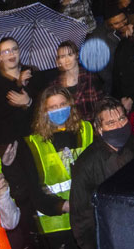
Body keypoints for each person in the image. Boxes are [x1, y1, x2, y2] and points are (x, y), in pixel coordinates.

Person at [69, 98, 134, 249]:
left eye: (121, 119)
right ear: (99, 128)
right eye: (111, 123)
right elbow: (82, 216)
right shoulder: (87, 163)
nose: (119, 126)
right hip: (112, 239)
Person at [21, 86, 93, 248]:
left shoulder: (87, 130)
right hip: (57, 226)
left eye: (62, 105)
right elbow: (34, 190)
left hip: (89, 219)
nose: (58, 110)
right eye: (52, 107)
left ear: (70, 105)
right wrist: (65, 206)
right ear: (44, 112)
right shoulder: (34, 143)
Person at [0, 38, 35, 147]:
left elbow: (42, 104)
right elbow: (0, 110)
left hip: (34, 134)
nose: (11, 54)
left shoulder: (32, 73)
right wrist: (19, 85)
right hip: (8, 140)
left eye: (14, 49)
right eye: (6, 51)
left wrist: (28, 101)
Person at [50, 42, 102, 122]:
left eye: (70, 55)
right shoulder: (56, 84)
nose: (67, 60)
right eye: (62, 57)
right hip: (68, 128)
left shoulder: (90, 76)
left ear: (77, 55)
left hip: (91, 125)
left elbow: (100, 105)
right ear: (59, 60)